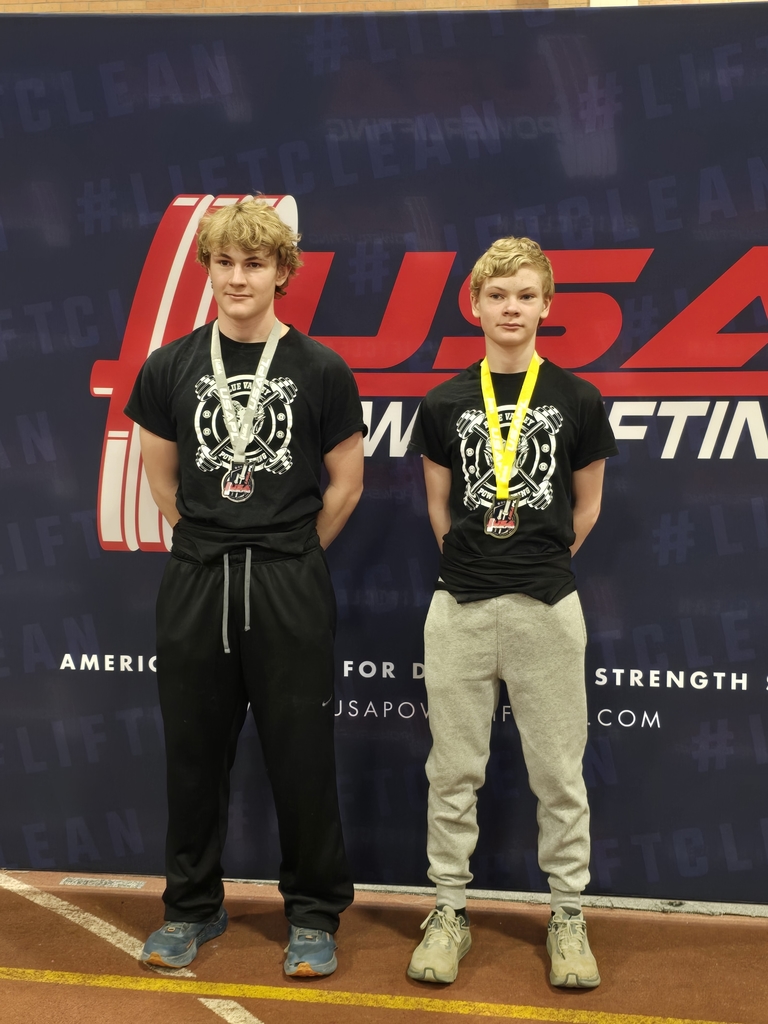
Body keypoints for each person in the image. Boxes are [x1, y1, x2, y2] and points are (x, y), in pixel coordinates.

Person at [125, 198, 366, 978]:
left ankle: (313, 913)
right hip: (198, 579)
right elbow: (160, 477)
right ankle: (191, 907)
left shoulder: (321, 368)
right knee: (191, 755)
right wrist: (213, 540)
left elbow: (347, 482)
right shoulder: (169, 366)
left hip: (287, 580)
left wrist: (287, 553)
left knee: (302, 756)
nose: (238, 277)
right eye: (225, 262)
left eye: (254, 264)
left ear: (281, 274)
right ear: (208, 269)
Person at [406, 236, 618, 988]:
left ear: (545, 306)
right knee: (452, 770)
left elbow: (585, 505)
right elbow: (439, 505)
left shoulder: (578, 399)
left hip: (548, 604)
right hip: (460, 604)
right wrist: (478, 561)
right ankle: (449, 911)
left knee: (559, 773)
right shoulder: (442, 402)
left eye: (525, 295)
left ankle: (567, 915)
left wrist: (534, 558)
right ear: (475, 304)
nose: (511, 308)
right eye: (497, 295)